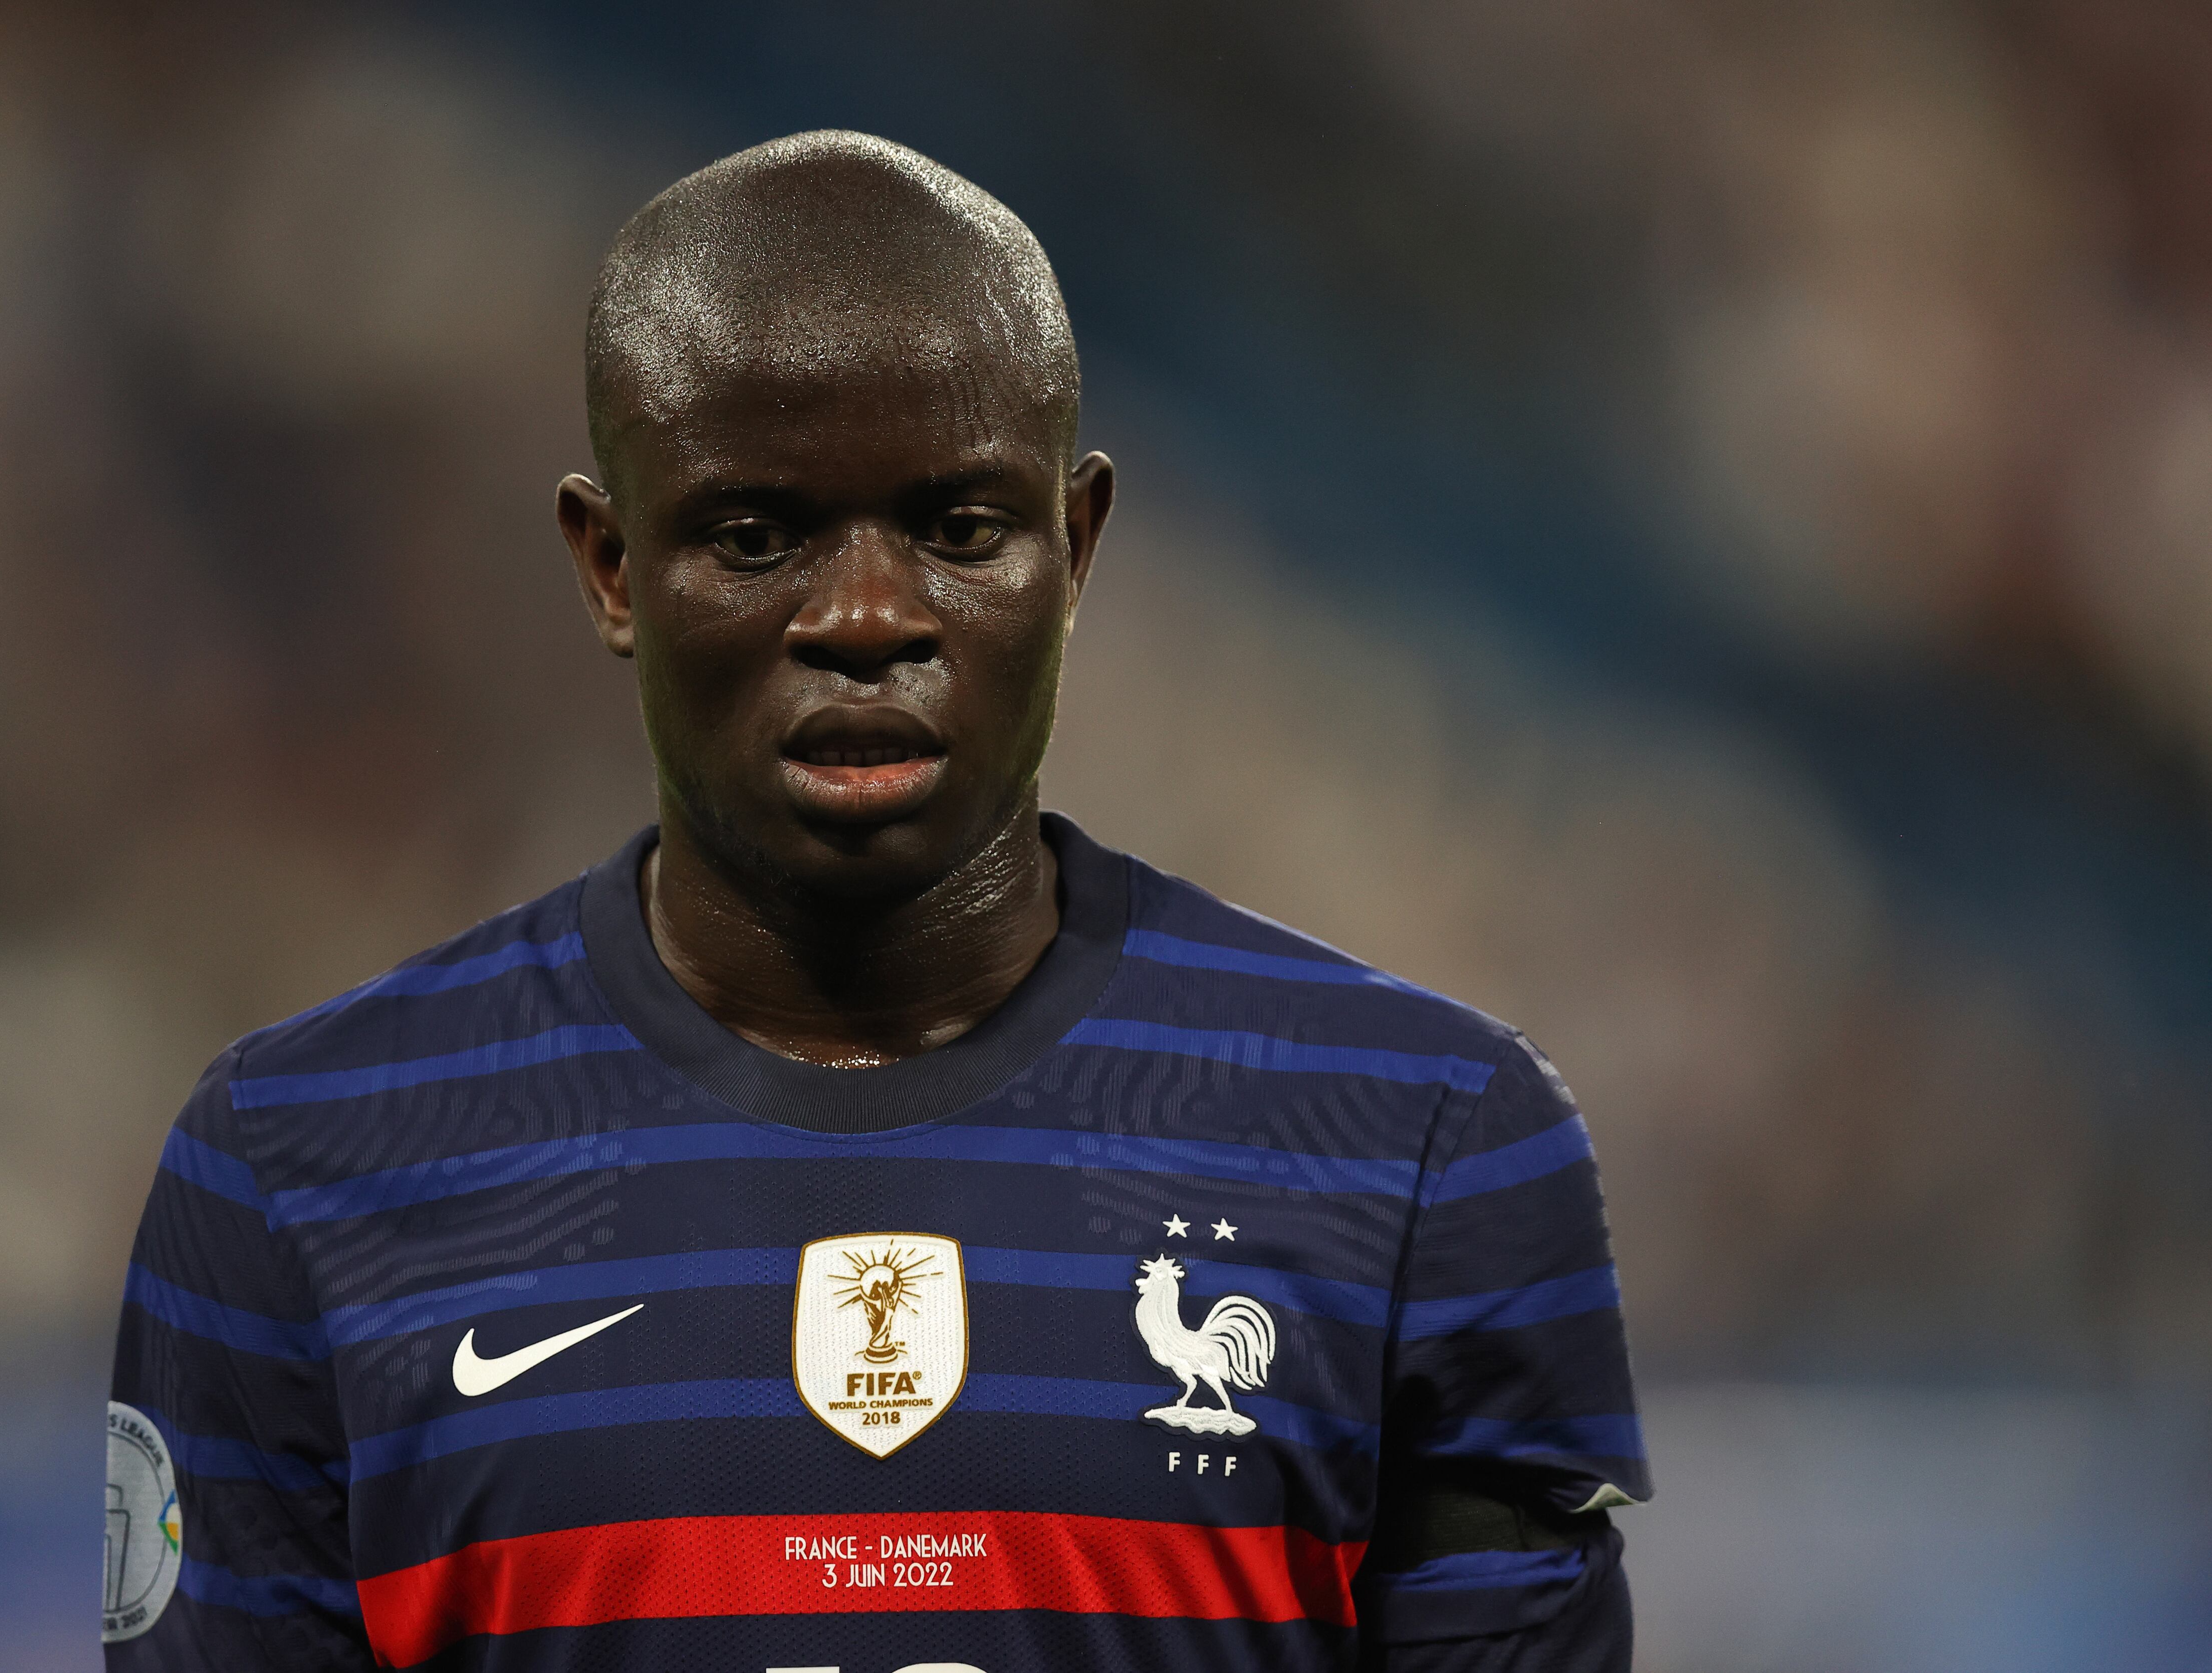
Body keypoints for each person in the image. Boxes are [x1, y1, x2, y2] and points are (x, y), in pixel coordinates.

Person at [104, 130, 1650, 1672]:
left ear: (1080, 541)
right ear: (611, 567)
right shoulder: (299, 1171)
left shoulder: (1426, 1144)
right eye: (756, 537)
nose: (866, 616)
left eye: (960, 529)